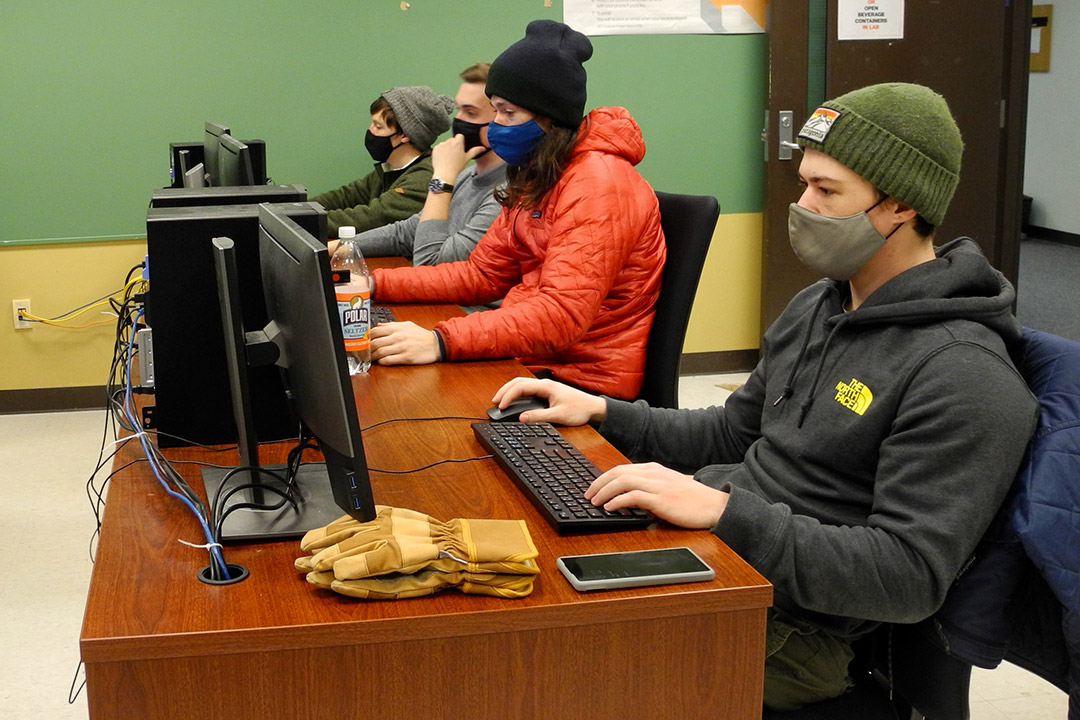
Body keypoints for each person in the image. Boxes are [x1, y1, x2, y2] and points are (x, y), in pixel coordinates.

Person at [492, 83, 1039, 709]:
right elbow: (734, 433)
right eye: (804, 182)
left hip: (803, 631)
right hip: (728, 561)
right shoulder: (821, 303)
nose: (802, 206)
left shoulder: (963, 372)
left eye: (827, 191)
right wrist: (603, 413)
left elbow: (907, 577)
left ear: (900, 207)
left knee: (540, 664)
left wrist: (725, 512)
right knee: (518, 585)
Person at [366, 20, 666, 400]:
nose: (495, 127)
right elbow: (481, 275)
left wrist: (441, 341)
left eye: (507, 113)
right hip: (532, 357)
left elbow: (560, 315)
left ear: (549, 117)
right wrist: (374, 284)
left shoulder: (599, 184)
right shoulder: (540, 173)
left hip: (579, 384)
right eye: (494, 112)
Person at [339, 63, 507, 267]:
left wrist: (442, 179)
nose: (458, 120)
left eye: (470, 113)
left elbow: (431, 264)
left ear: (502, 119)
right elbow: (405, 233)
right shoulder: (466, 177)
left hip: (455, 298)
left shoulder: (505, 195)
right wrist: (339, 249)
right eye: (459, 110)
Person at [312, 85, 455, 238]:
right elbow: (346, 196)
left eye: (378, 126)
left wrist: (306, 221)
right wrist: (300, 209)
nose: (370, 130)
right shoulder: (390, 168)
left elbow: (372, 218)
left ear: (404, 136)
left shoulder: (424, 178)